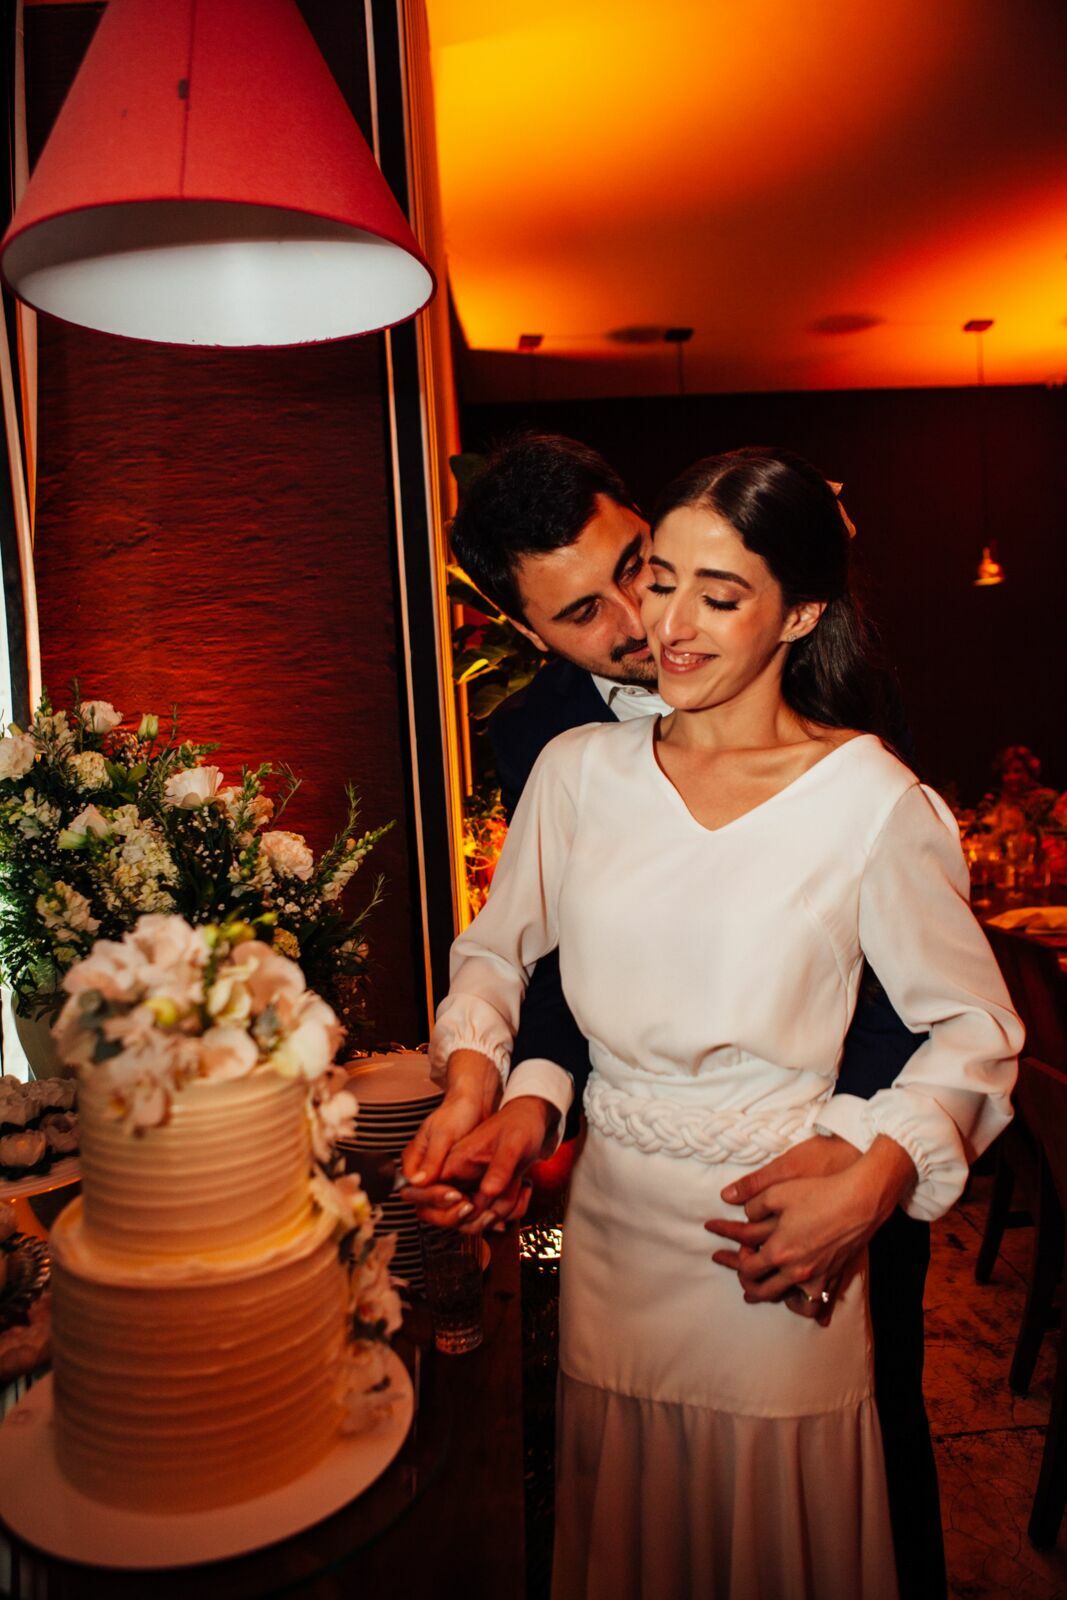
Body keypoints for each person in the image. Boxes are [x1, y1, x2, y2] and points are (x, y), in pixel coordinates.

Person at [414, 445, 1022, 1598]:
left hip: (792, 1203)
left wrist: (868, 1165)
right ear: (530, 629)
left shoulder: (864, 782)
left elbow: (949, 1015)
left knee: (833, 1490)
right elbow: (518, 956)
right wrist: (491, 1091)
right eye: (612, 604)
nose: (655, 623)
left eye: (651, 572)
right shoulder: (562, 759)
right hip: (611, 1242)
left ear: (796, 614)